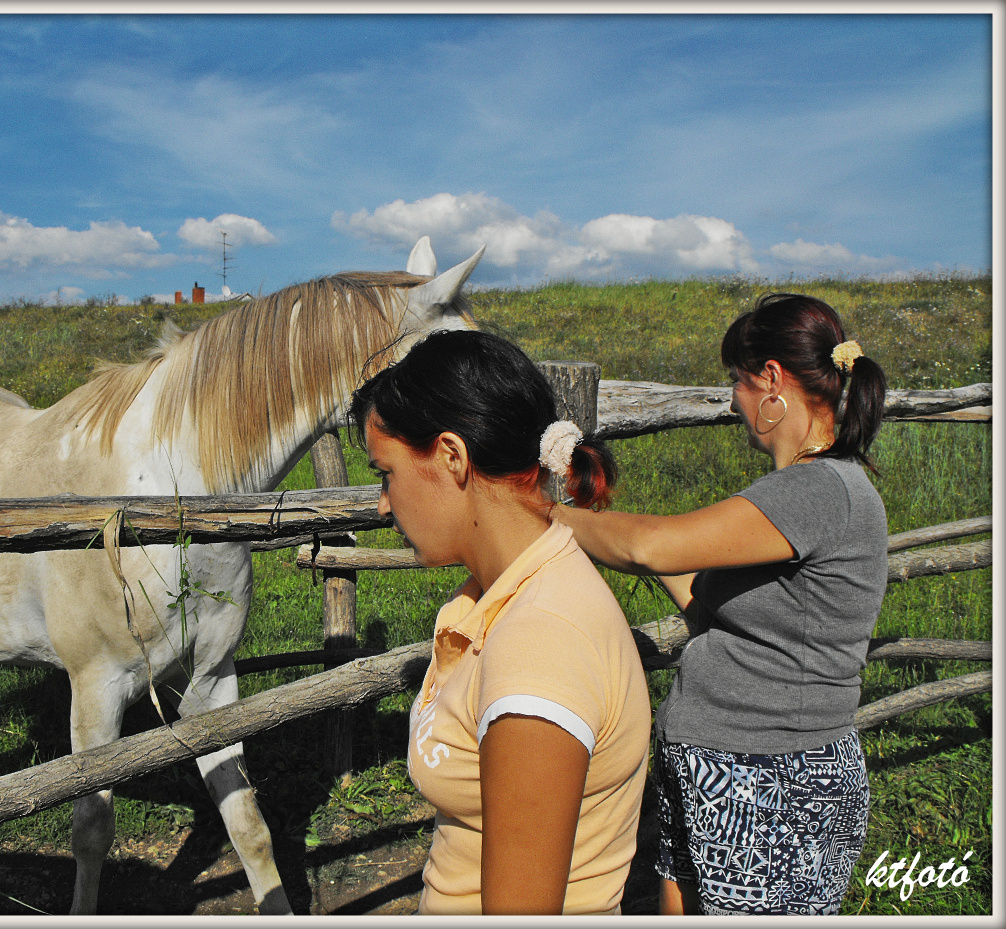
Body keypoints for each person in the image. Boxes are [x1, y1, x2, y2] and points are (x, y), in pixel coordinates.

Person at [552, 292, 888, 916]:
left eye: (736, 380)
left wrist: (547, 516)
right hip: (721, 770)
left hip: (771, 781)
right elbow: (706, 606)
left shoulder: (819, 490)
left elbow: (652, 547)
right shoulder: (796, 492)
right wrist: (602, 521)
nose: (733, 398)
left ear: (771, 381)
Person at [349, 329, 651, 915]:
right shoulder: (511, 594)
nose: (384, 502)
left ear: (451, 457)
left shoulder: (539, 644)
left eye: (386, 472)